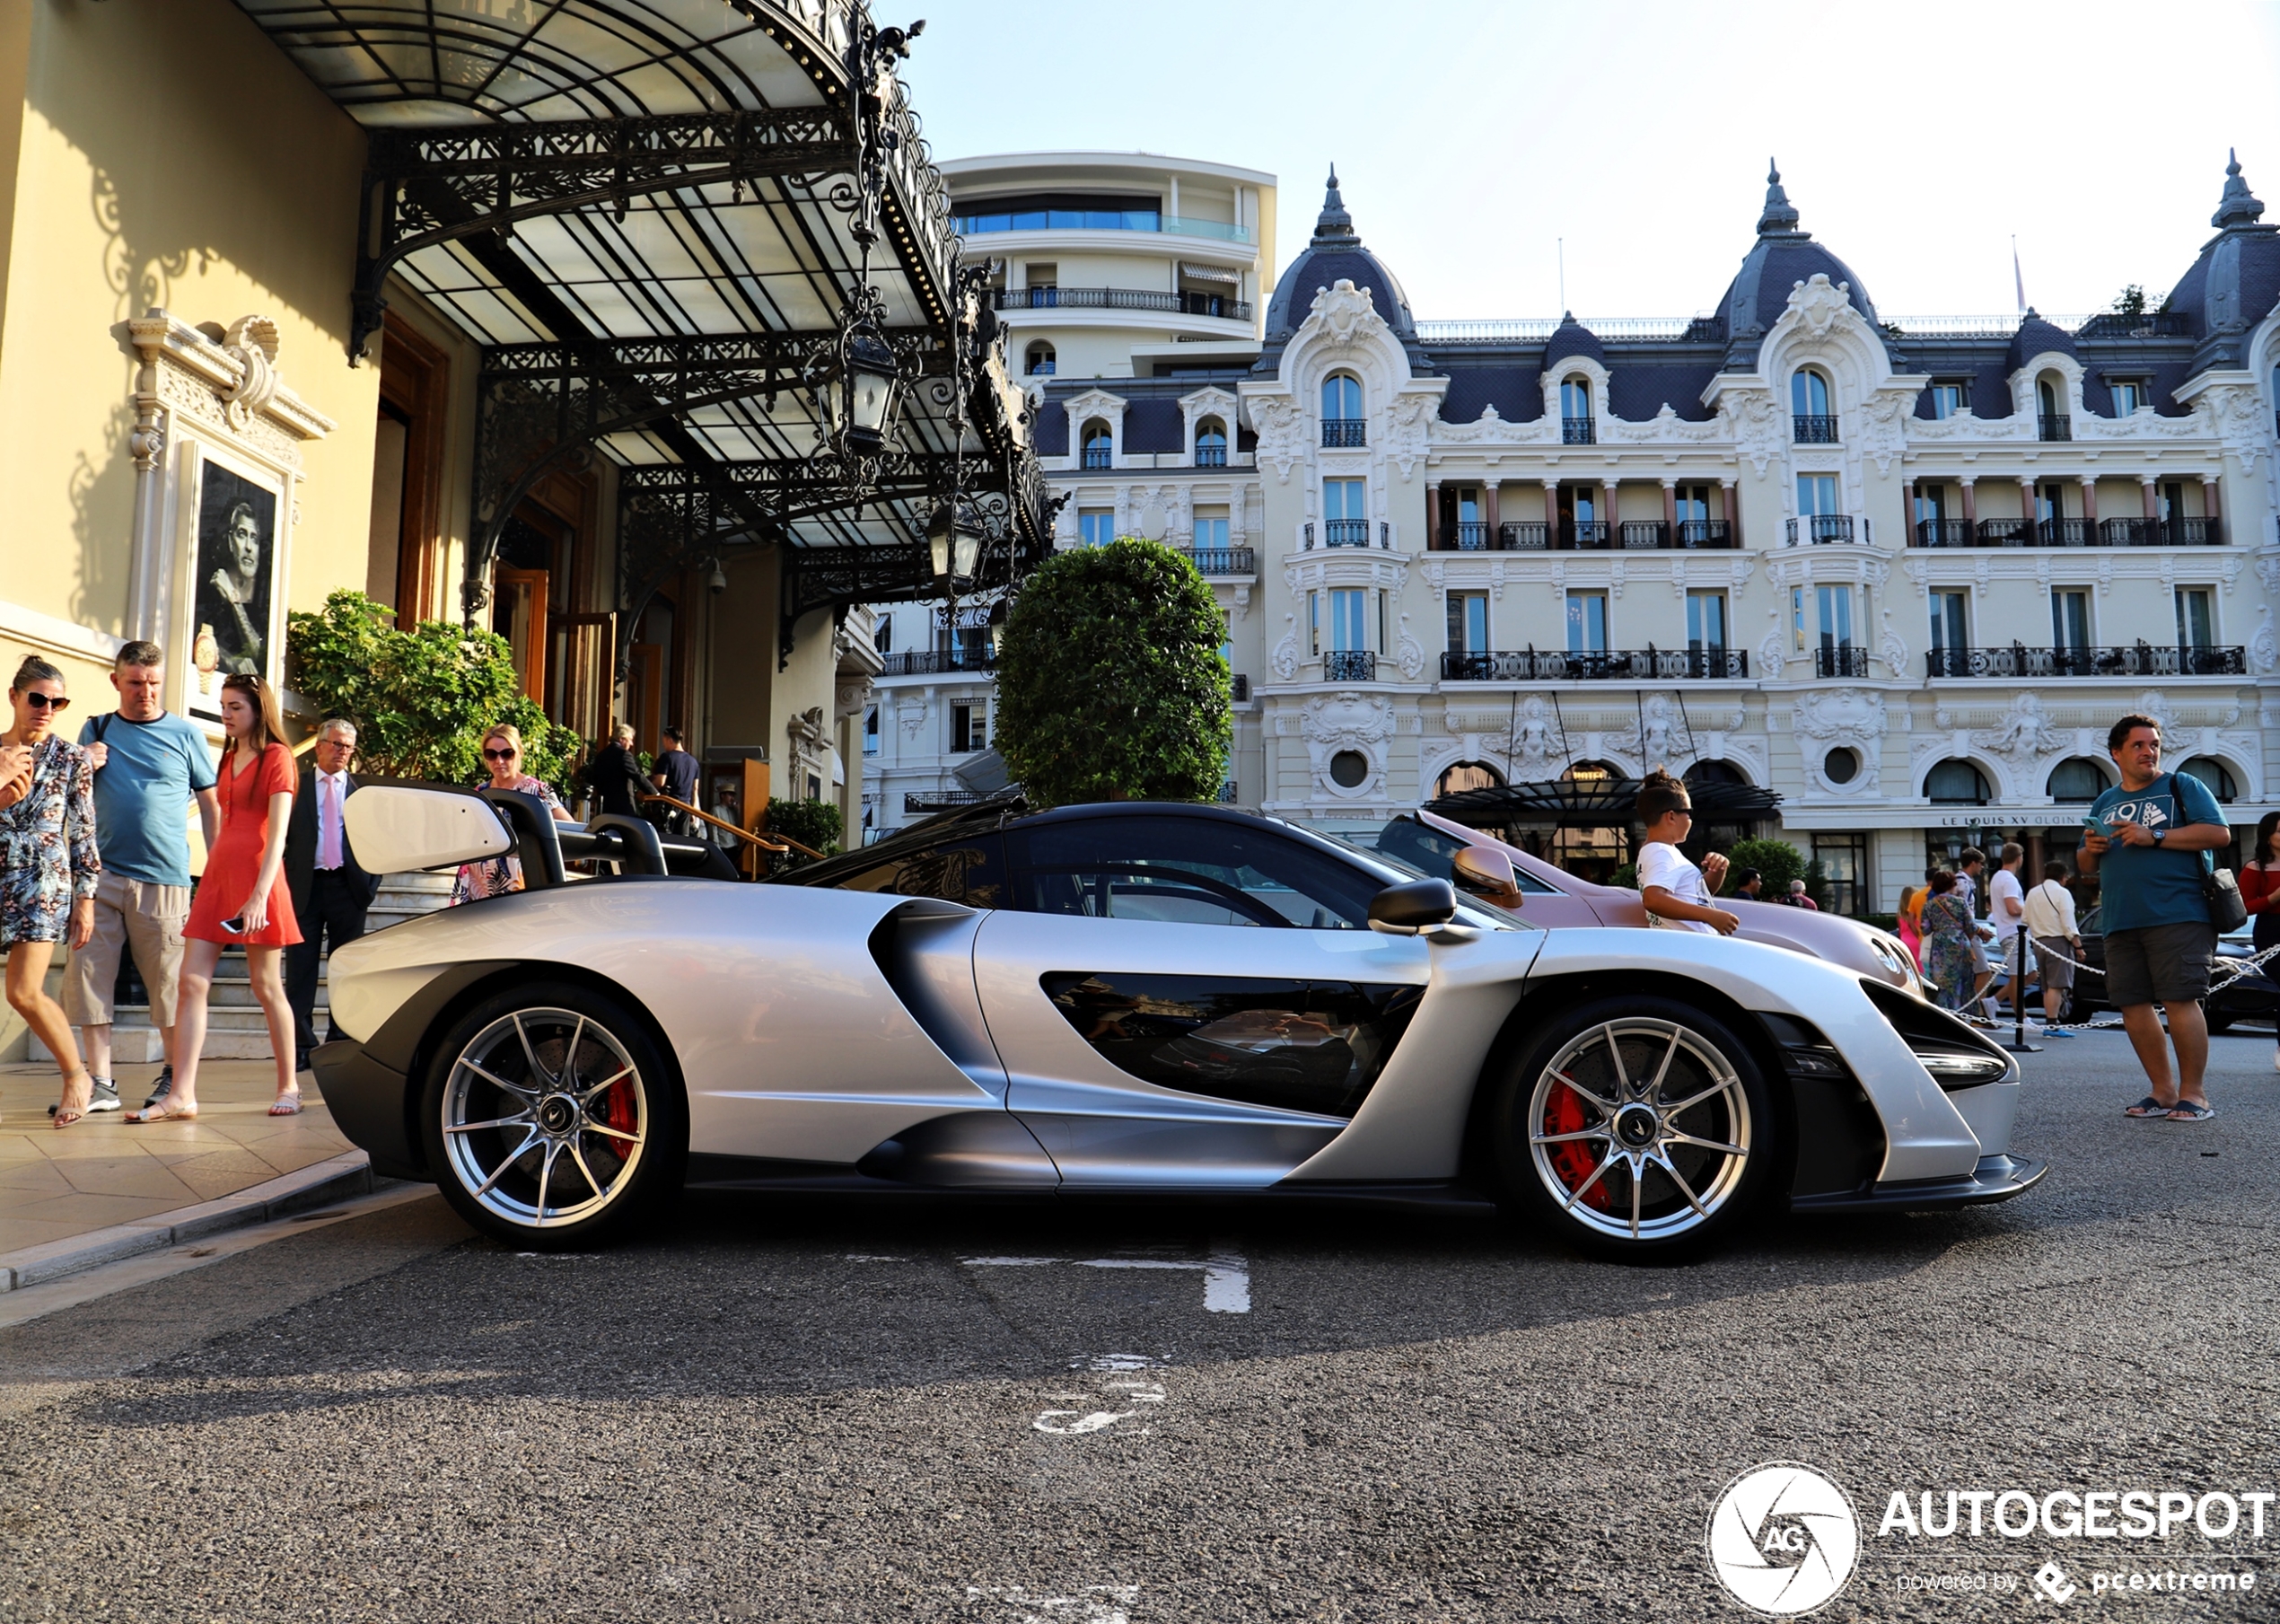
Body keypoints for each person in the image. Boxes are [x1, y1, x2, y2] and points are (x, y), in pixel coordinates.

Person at [130, 673, 300, 1121]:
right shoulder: (227, 755)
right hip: (219, 876)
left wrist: (260, 895)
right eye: (223, 706)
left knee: (266, 986)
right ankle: (182, 1093)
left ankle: (290, 1086)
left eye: (235, 707)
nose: (224, 714)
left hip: (259, 878)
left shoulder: (278, 757)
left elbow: (278, 834)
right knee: (191, 982)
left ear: (258, 710)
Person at [62, 641, 219, 1116]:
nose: (145, 692)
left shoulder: (187, 734)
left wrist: (216, 872)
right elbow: (68, 790)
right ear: (117, 682)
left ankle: (173, 1076)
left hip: (166, 878)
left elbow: (211, 806)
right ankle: (101, 1083)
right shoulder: (97, 727)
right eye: (135, 682)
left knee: (169, 985)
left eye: (152, 683)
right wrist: (82, 761)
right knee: (90, 978)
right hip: (99, 876)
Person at [2079, 713, 2232, 1122]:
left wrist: (2156, 835)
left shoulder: (2183, 786)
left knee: (2180, 998)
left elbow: (2219, 834)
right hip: (2120, 918)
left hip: (2179, 913)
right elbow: (2084, 864)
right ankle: (2162, 1091)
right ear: (2116, 753)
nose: (2149, 752)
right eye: (2139, 745)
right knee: (2131, 1004)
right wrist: (2092, 846)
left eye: (2154, 745)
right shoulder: (2105, 801)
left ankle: (2194, 1095)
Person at [0, 657, 101, 1127]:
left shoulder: (70, 758)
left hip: (42, 882)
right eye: (37, 698)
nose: (46, 708)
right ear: (14, 697)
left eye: (56, 702)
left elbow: (83, 831)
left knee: (23, 991)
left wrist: (86, 899)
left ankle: (77, 1076)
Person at [284, 718, 379, 1073]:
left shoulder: (361, 791)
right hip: (305, 888)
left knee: (345, 971)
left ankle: (339, 1039)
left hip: (348, 889)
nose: (342, 752)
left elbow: (376, 839)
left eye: (348, 747)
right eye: (336, 744)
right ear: (319, 745)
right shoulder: (297, 786)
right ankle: (301, 1045)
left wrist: (369, 886)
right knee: (300, 971)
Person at [452, 724, 576, 905]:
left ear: (519, 753)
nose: (499, 761)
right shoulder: (479, 793)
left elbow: (570, 830)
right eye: (491, 754)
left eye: (507, 754)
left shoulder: (536, 791)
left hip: (521, 883)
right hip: (476, 885)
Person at [1634, 768, 1738, 935]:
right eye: (1688, 813)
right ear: (1671, 816)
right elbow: (1652, 899)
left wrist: (1717, 870)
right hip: (1692, 948)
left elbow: (1696, 896)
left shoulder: (1657, 851)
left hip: (1688, 947)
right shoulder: (1662, 853)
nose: (1690, 820)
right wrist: (1711, 916)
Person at [2023, 860, 2083, 1040]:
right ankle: (2052, 1024)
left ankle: (2051, 1022)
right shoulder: (2062, 893)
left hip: (2039, 942)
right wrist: (2078, 945)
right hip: (2058, 942)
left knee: (2047, 986)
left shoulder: (2033, 892)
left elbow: (2025, 918)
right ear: (2063, 877)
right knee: (2057, 986)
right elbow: (2068, 923)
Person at [2241, 810, 2280, 1072]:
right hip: (2272, 931)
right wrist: (2273, 899)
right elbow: (2243, 907)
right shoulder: (2256, 868)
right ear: (2268, 837)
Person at [1919, 870, 1977, 1012]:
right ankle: (1962, 1013)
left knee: (1942, 983)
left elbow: (1925, 929)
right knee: (1962, 983)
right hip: (1960, 946)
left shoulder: (1929, 905)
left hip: (1940, 948)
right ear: (1952, 885)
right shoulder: (1961, 903)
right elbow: (1971, 926)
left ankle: (1944, 1012)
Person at [1954, 846, 1999, 1015]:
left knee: (1969, 975)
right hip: (1968, 935)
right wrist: (1979, 932)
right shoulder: (1964, 884)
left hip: (1964, 935)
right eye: (1981, 864)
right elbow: (1963, 915)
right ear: (1973, 863)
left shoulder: (1958, 880)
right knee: (1984, 972)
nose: (1982, 867)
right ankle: (1975, 1012)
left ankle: (1971, 1011)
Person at [1987, 842, 2030, 1019]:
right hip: (2014, 932)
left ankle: (1993, 1001)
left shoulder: (1997, 877)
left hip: (2008, 932)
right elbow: (2012, 908)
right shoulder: (2010, 880)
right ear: (2019, 859)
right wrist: (2029, 908)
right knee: (2018, 977)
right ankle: (2022, 1019)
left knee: (2031, 974)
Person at [585, 724, 646, 820]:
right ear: (621, 739)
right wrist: (656, 794)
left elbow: (594, 778)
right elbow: (637, 776)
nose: (632, 744)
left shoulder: (601, 755)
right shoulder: (624, 754)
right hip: (623, 809)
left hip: (604, 808)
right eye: (630, 739)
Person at [650, 725, 700, 835]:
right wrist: (694, 811)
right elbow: (695, 789)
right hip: (686, 807)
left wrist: (645, 790)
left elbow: (660, 781)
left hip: (669, 805)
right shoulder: (694, 762)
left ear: (670, 740)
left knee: (666, 838)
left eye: (664, 741)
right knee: (682, 841)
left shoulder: (667, 757)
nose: (664, 745)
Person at [1896, 883, 1925, 970]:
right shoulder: (1917, 913)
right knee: (1920, 968)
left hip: (1904, 942)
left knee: (1910, 967)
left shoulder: (1899, 915)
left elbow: (1901, 931)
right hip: (1917, 941)